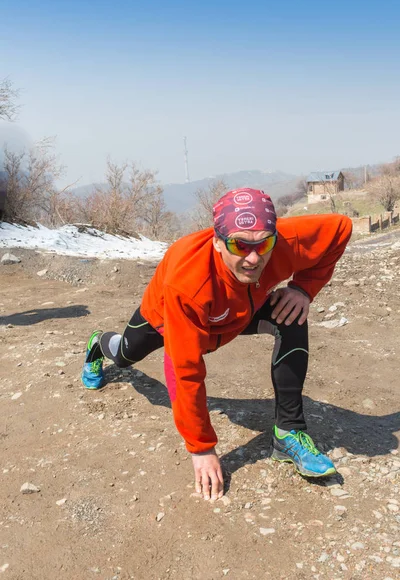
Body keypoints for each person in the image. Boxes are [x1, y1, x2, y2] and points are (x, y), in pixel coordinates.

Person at [81, 188, 352, 500]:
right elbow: (184, 370)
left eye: (264, 243)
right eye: (240, 245)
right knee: (126, 354)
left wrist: (304, 289)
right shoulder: (187, 282)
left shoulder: (279, 243)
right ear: (217, 241)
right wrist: (201, 448)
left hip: (237, 310)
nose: (254, 257)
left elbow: (340, 229)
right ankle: (98, 345)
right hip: (166, 317)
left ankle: (288, 433)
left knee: (291, 316)